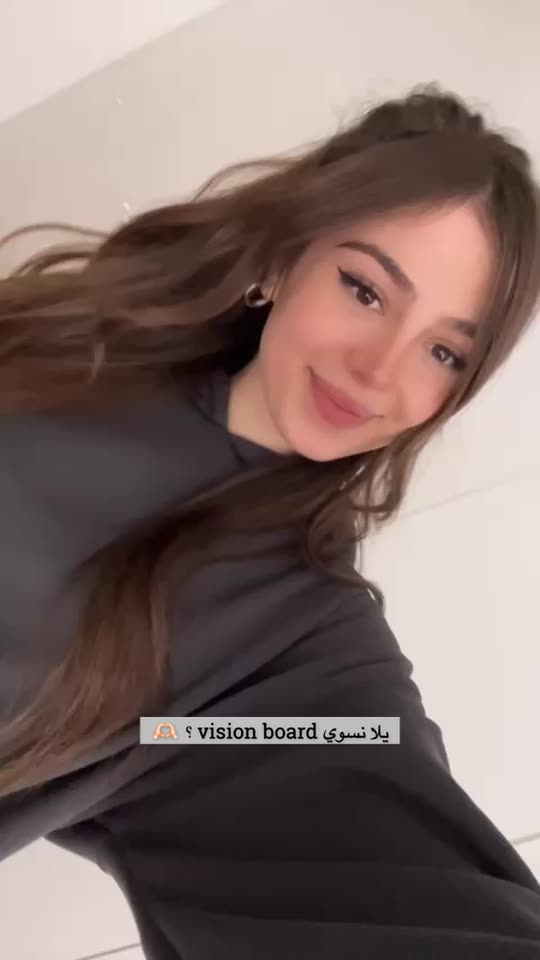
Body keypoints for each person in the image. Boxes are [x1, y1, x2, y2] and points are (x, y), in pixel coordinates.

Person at [1, 85, 540, 958]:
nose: (378, 371)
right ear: (288, 257)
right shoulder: (67, 341)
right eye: (365, 290)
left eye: (444, 351)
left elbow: (378, 840)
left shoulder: (291, 644)